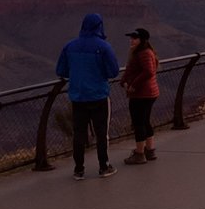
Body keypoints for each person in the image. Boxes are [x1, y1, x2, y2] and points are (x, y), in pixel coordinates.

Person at [56, 13, 121, 180]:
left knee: (78, 134)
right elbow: (113, 71)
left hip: (78, 97)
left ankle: (78, 170)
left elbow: (61, 71)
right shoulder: (104, 47)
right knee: (101, 133)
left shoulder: (70, 46)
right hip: (99, 96)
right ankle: (104, 167)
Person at [120, 27, 160, 165]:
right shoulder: (141, 52)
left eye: (134, 38)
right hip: (148, 93)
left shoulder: (143, 53)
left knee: (138, 123)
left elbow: (148, 71)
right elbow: (132, 69)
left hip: (142, 94)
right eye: (131, 37)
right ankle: (150, 150)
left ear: (142, 40)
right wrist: (123, 80)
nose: (131, 40)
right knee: (145, 121)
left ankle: (139, 154)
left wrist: (133, 85)